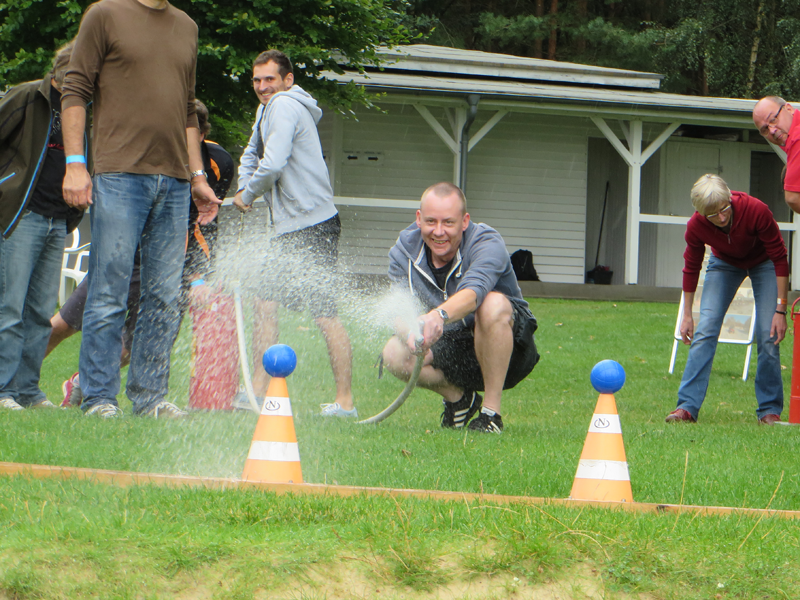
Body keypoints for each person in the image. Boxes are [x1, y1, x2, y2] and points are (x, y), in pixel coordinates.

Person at [61, 0, 221, 419]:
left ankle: (150, 397)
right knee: (109, 290)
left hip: (174, 182)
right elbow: (75, 90)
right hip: (117, 175)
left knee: (165, 296)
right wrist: (75, 164)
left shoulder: (186, 26)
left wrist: (198, 177)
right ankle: (98, 398)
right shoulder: (104, 14)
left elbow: (188, 108)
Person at [51, 99, 234, 408]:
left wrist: (198, 274)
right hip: (126, 256)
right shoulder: (148, 153)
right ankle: (16, 381)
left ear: (200, 135)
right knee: (64, 324)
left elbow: (205, 225)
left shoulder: (219, 163)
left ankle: (81, 383)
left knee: (133, 345)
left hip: (170, 266)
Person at [232, 49, 355, 417]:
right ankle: (256, 391)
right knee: (264, 303)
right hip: (287, 228)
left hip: (313, 224)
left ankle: (345, 402)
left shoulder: (285, 105)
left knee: (323, 313)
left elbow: (273, 163)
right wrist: (243, 188)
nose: (262, 87)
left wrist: (249, 193)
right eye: (256, 80)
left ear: (288, 80)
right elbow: (251, 157)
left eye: (269, 79)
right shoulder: (264, 111)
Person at [380, 182, 540, 433]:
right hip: (453, 343)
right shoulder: (402, 252)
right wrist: (409, 333)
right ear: (419, 219)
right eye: (431, 221)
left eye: (448, 223)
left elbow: (473, 293)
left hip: (511, 352)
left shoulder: (486, 242)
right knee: (393, 353)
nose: (439, 231)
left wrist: (438, 315)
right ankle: (460, 399)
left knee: (492, 303)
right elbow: (397, 308)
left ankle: (490, 415)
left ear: (464, 221)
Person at [0, 40, 85, 411]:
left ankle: (27, 390)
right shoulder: (26, 97)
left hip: (57, 220)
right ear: (66, 70)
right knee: (9, 307)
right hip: (22, 216)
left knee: (39, 311)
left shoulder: (83, 111)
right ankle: (2, 390)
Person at [665, 174, 788, 425]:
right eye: (713, 215)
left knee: (768, 334)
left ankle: (769, 411)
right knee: (706, 328)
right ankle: (687, 407)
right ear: (700, 213)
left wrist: (780, 309)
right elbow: (691, 267)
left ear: (729, 196)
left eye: (724, 209)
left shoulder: (755, 210)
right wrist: (687, 314)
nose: (721, 218)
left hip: (764, 262)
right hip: (724, 264)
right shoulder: (696, 225)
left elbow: (779, 257)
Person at [752, 96, 800, 212]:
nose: (772, 130)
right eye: (765, 129)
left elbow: (793, 198)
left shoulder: (797, 137)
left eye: (773, 119)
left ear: (788, 109)